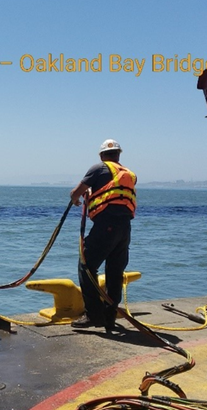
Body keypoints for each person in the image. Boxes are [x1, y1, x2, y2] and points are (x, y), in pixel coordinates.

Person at [69, 139, 137, 331]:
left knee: (86, 267)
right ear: (118, 154)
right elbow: (113, 192)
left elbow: (76, 192)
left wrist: (76, 198)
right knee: (114, 273)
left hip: (106, 226)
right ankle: (108, 317)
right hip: (125, 229)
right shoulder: (130, 174)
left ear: (101, 155)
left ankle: (93, 315)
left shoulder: (98, 169)